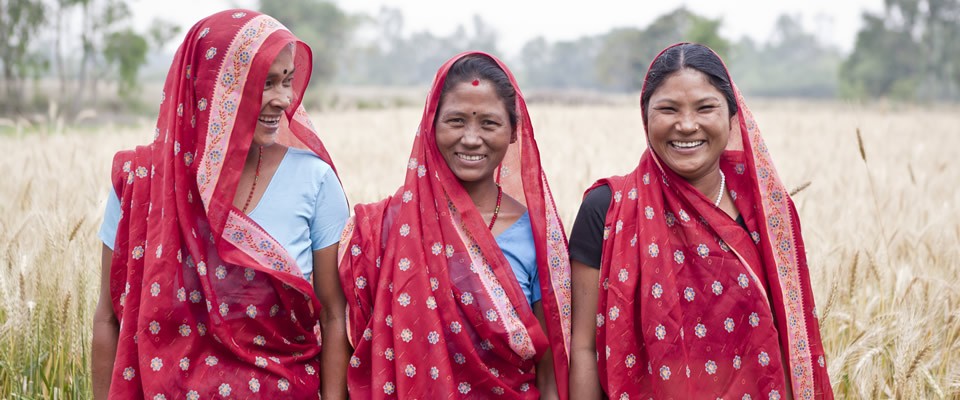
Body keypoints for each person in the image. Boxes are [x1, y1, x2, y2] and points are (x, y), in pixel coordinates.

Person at [91, 10, 351, 399]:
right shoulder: (140, 182)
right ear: (213, 87)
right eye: (265, 83)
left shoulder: (314, 181)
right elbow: (110, 318)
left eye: (287, 81)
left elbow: (334, 316)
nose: (283, 99)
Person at [568, 43, 834, 400]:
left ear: (732, 117)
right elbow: (583, 346)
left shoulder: (768, 212)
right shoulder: (608, 210)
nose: (687, 125)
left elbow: (792, 335)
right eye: (668, 109)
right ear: (645, 116)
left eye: (705, 107)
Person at [337, 52, 571, 399]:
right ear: (431, 126)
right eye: (456, 121)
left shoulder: (538, 236)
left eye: (489, 123)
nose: (471, 138)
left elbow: (549, 371)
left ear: (512, 133)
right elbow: (351, 350)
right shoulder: (385, 227)